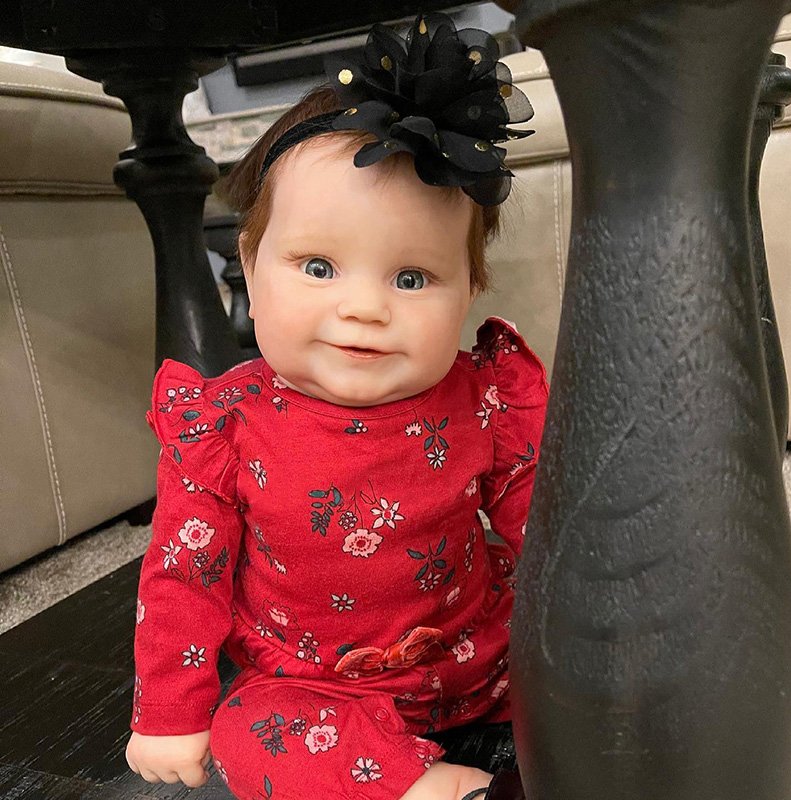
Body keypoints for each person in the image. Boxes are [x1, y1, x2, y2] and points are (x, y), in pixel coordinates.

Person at [125, 12, 547, 800]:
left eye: (412, 279)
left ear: (469, 290)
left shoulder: (485, 400)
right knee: (248, 734)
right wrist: (169, 710)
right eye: (318, 266)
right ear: (251, 267)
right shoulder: (225, 426)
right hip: (314, 686)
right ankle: (436, 788)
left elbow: (551, 531)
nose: (364, 308)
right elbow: (184, 574)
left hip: (481, 656)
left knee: (590, 662)